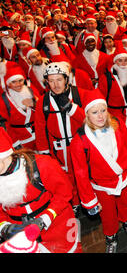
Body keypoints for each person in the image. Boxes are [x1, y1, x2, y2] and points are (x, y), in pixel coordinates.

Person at [70, 89, 127, 253]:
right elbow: (80, 173)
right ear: (87, 114)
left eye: (103, 110)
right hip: (101, 185)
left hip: (123, 177)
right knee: (107, 214)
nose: (101, 116)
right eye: (95, 112)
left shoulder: (117, 123)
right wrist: (89, 200)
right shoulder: (79, 140)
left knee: (126, 204)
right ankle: (111, 236)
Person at [0, 128, 82, 253]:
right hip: (22, 239)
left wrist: (46, 218)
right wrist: (4, 227)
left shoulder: (41, 165)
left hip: (58, 228)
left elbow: (64, 193)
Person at [34, 62, 86, 217]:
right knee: (68, 177)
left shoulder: (79, 94)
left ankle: (88, 198)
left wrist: (72, 108)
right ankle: (75, 201)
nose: (55, 85)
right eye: (51, 80)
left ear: (66, 79)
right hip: (59, 148)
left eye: (59, 79)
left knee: (84, 172)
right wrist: (45, 154)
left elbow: (89, 119)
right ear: (47, 82)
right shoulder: (43, 102)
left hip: (80, 144)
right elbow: (40, 129)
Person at [98, 44, 127, 145]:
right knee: (118, 145)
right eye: (120, 60)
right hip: (115, 117)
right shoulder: (106, 78)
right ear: (115, 61)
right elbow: (101, 100)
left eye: (125, 60)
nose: (123, 63)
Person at [0, 65, 40, 150]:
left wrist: (35, 104)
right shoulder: (4, 99)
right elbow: (6, 124)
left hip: (39, 136)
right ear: (8, 83)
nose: (18, 84)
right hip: (22, 141)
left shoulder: (31, 90)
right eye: (14, 82)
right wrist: (15, 143)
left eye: (20, 80)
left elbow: (43, 111)